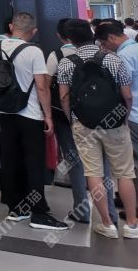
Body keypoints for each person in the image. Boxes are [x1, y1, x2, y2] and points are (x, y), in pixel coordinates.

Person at [0, 11, 66, 231]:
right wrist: (48, 116)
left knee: (9, 159)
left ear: (11, 26)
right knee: (34, 163)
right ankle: (38, 212)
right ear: (34, 31)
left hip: (4, 112)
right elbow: (41, 86)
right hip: (29, 114)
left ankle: (16, 208)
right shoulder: (33, 51)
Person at [58, 19, 137, 238]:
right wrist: (123, 117)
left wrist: (72, 119)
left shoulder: (66, 63)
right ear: (92, 34)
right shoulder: (113, 58)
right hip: (115, 123)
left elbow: (64, 97)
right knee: (125, 173)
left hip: (84, 124)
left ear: (70, 39)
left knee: (93, 173)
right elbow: (127, 95)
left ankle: (107, 224)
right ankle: (132, 224)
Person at [46, 18, 100, 223]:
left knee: (74, 161)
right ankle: (109, 216)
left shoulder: (57, 56)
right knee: (100, 162)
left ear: (61, 36)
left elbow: (49, 87)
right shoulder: (104, 54)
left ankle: (81, 211)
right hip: (99, 116)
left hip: (66, 117)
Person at [95, 22, 138, 210]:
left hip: (133, 115)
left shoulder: (123, 57)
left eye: (104, 43)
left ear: (111, 37)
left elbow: (125, 93)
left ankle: (134, 208)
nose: (105, 48)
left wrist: (124, 118)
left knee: (132, 165)